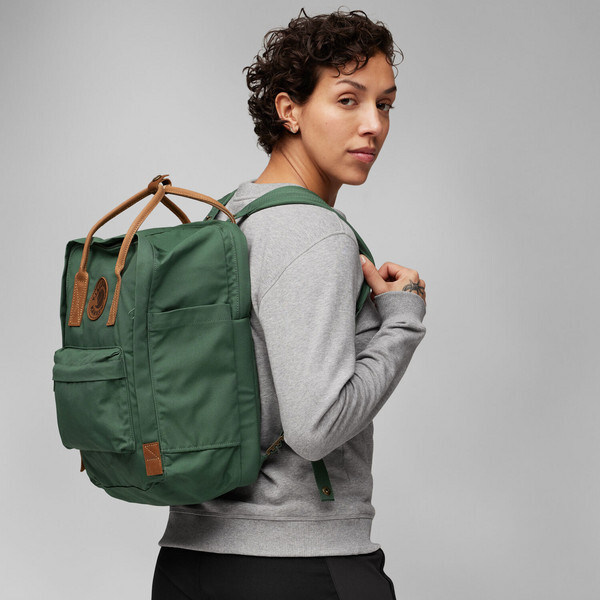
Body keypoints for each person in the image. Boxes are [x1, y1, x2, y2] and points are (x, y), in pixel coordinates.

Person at [152, 8, 427, 600]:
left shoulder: (230, 215)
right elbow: (316, 428)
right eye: (348, 100)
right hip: (296, 563)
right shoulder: (313, 232)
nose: (373, 125)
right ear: (289, 109)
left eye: (385, 104)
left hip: (188, 561)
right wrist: (402, 321)